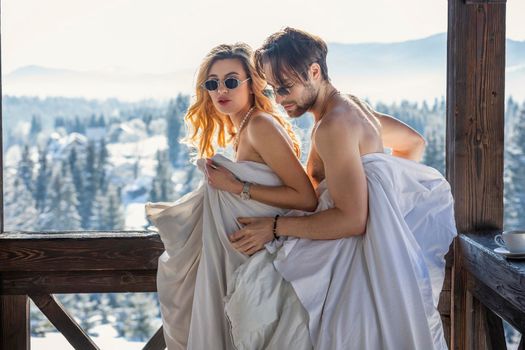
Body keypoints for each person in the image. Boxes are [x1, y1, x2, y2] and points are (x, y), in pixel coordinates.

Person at [223, 28, 457, 350]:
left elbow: (352, 220)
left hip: (354, 272)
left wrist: (274, 227)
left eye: (285, 87)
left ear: (314, 72)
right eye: (274, 90)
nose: (279, 99)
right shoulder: (353, 108)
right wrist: (389, 210)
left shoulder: (333, 125)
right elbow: (413, 143)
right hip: (375, 261)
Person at [146, 42, 318, 350]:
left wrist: (237, 188)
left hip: (266, 261)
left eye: (231, 80)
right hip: (244, 256)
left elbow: (306, 198)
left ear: (253, 84)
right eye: (212, 83)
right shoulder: (243, 130)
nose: (220, 89)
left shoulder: (260, 126)